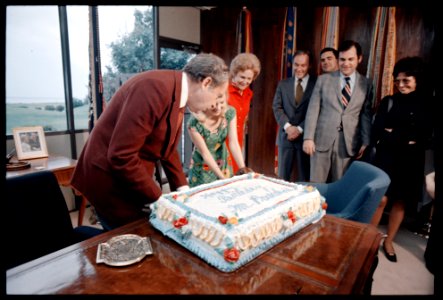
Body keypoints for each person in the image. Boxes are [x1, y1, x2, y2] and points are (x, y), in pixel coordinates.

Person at [70, 53, 229, 230]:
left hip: (127, 176)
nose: (216, 104)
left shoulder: (178, 93)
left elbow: (167, 149)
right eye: (218, 95)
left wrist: (183, 191)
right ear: (206, 83)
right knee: (134, 241)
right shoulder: (154, 87)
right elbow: (121, 156)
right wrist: (159, 199)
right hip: (108, 179)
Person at [369, 57, 434, 263]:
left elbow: (425, 137)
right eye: (397, 81)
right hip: (386, 158)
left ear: (417, 80)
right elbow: (377, 131)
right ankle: (367, 241)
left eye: (406, 80)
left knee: (400, 202)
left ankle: (389, 242)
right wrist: (406, 138)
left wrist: (394, 133)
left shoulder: (428, 104)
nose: (401, 85)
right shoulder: (389, 101)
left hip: (411, 162)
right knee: (381, 199)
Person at [303, 40, 373, 183]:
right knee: (316, 185)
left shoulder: (366, 84)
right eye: (342, 59)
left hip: (348, 144)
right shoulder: (324, 80)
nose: (346, 63)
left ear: (359, 59)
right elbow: (313, 110)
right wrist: (308, 138)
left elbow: (365, 115)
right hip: (320, 142)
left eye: (350, 59)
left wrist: (366, 141)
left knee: (341, 186)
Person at [187, 93, 252, 187]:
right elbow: (205, 153)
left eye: (221, 103)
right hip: (203, 165)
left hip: (223, 159)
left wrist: (243, 168)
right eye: (213, 105)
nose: (218, 108)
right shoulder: (194, 123)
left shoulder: (229, 113)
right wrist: (223, 179)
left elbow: (233, 142)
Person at [273, 50, 317, 182]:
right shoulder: (283, 84)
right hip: (285, 138)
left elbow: (316, 111)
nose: (299, 68)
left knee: (304, 178)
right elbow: (277, 107)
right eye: (296, 65)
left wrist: (299, 129)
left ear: (309, 66)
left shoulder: (317, 84)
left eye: (303, 65)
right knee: (282, 178)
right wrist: (288, 127)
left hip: (305, 138)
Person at [226, 53, 261, 174]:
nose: (245, 82)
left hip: (237, 139)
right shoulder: (223, 91)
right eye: (242, 77)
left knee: (237, 172)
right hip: (222, 140)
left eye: (249, 79)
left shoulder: (248, 93)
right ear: (234, 73)